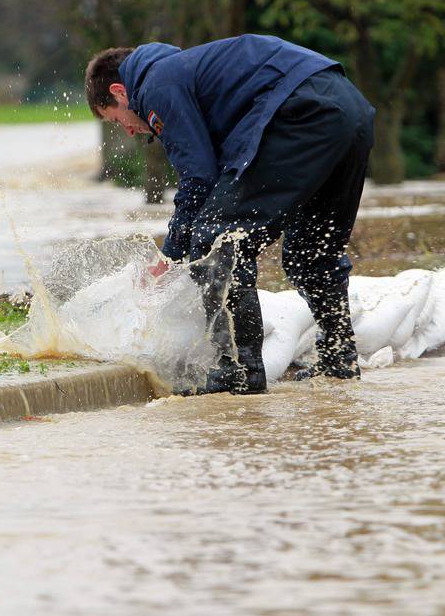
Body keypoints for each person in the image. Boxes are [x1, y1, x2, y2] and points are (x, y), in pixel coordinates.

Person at [85, 34, 374, 395]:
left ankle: (239, 368)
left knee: (215, 238)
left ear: (120, 91)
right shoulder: (187, 71)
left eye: (115, 119)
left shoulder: (156, 84)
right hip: (351, 111)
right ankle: (339, 359)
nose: (127, 130)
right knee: (310, 253)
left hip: (303, 111)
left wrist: (170, 254)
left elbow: (198, 178)